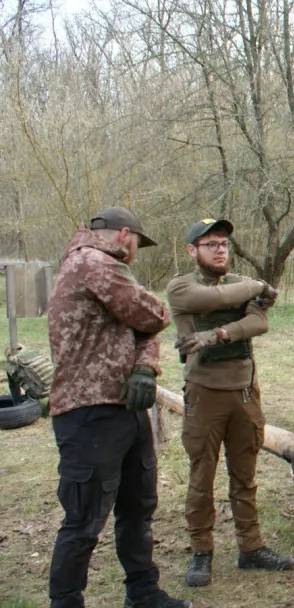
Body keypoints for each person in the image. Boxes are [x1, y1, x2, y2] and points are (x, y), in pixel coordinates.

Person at [46, 207, 191, 608]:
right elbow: (155, 314)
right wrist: (151, 321)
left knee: (137, 508)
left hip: (125, 406)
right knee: (84, 520)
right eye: (138, 243)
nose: (137, 251)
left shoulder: (103, 267)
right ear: (125, 235)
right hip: (88, 412)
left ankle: (143, 593)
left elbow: (144, 330)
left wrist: (144, 368)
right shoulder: (92, 262)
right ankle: (65, 602)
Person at [166, 218, 294, 587]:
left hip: (244, 391)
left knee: (245, 474)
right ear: (192, 251)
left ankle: (251, 547)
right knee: (202, 475)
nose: (220, 250)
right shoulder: (181, 286)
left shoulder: (239, 283)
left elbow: (259, 323)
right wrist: (256, 287)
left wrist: (219, 333)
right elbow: (213, 299)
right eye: (211, 244)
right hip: (204, 391)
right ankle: (201, 551)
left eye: (224, 244)